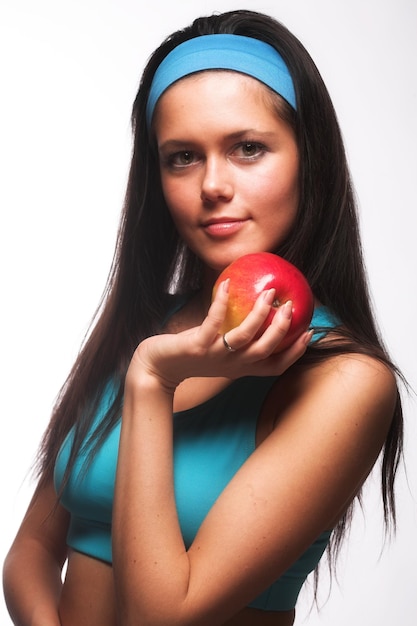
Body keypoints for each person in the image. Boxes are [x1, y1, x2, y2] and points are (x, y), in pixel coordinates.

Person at [3, 9, 404, 626]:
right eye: (182, 157)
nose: (213, 185)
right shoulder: (142, 327)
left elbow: (161, 616)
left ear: (308, 160)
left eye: (248, 148)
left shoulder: (345, 381)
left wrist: (153, 379)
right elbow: (29, 555)